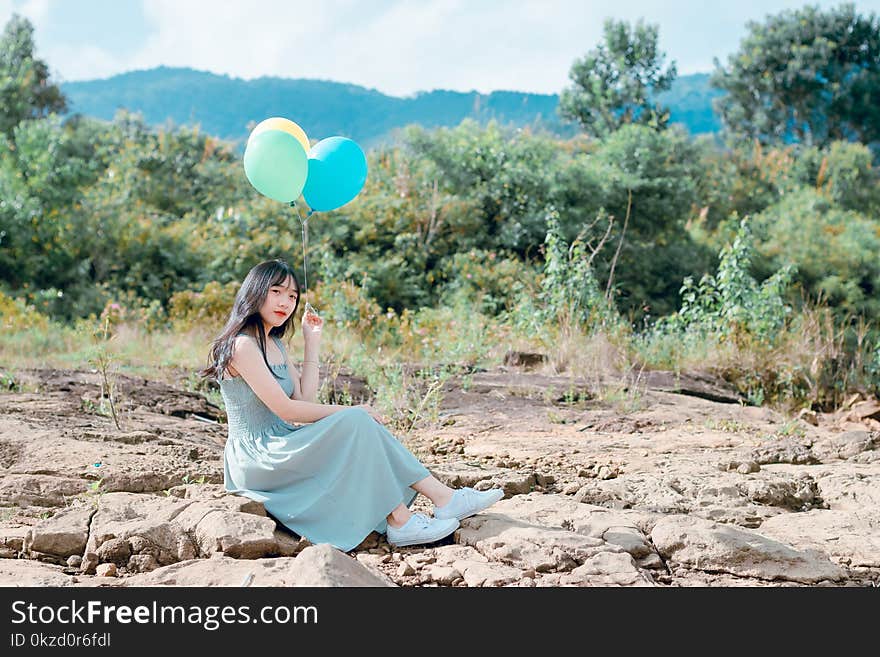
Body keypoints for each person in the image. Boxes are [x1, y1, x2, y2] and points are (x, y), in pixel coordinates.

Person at [199, 258, 503, 551]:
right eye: (276, 292)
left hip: (283, 442)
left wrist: (312, 341)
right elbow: (288, 411)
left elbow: (305, 401)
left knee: (358, 423)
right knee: (356, 421)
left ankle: (442, 501)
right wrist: (352, 411)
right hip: (258, 455)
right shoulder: (243, 345)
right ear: (255, 292)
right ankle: (407, 517)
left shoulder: (274, 344)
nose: (285, 302)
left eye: (292, 296)